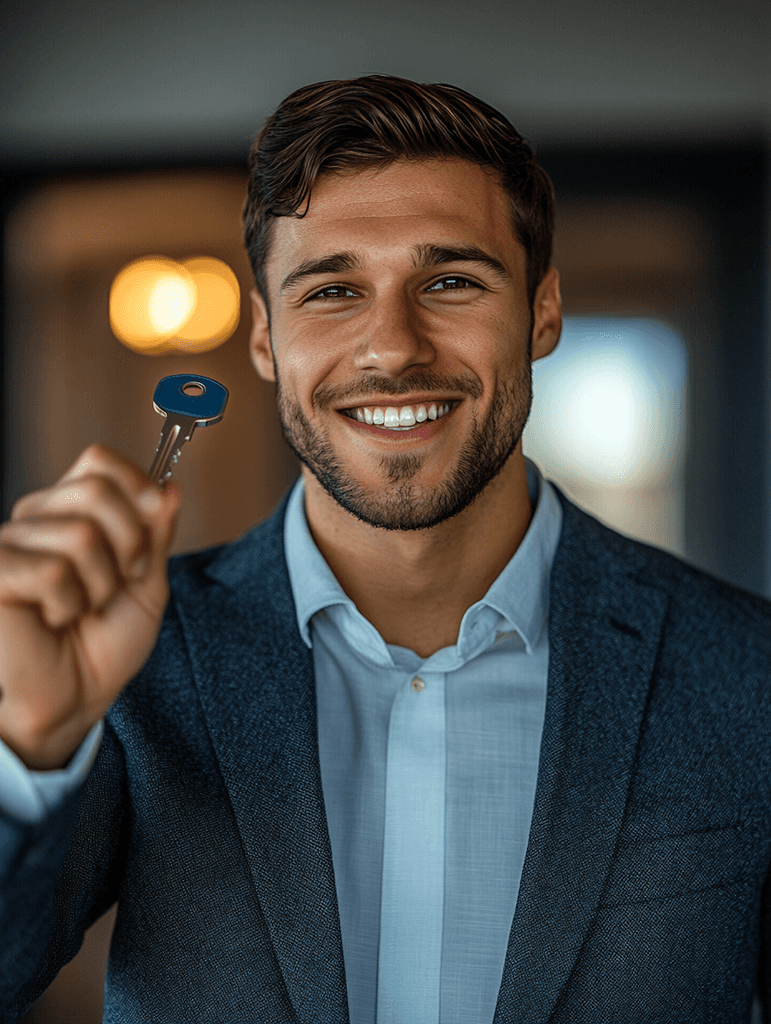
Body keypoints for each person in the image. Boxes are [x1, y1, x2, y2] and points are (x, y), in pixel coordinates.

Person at [0, 74, 769, 1024]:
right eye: (331, 289)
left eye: (448, 281)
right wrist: (26, 744)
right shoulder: (135, 661)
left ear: (540, 312)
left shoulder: (748, 676)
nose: (391, 348)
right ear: (264, 339)